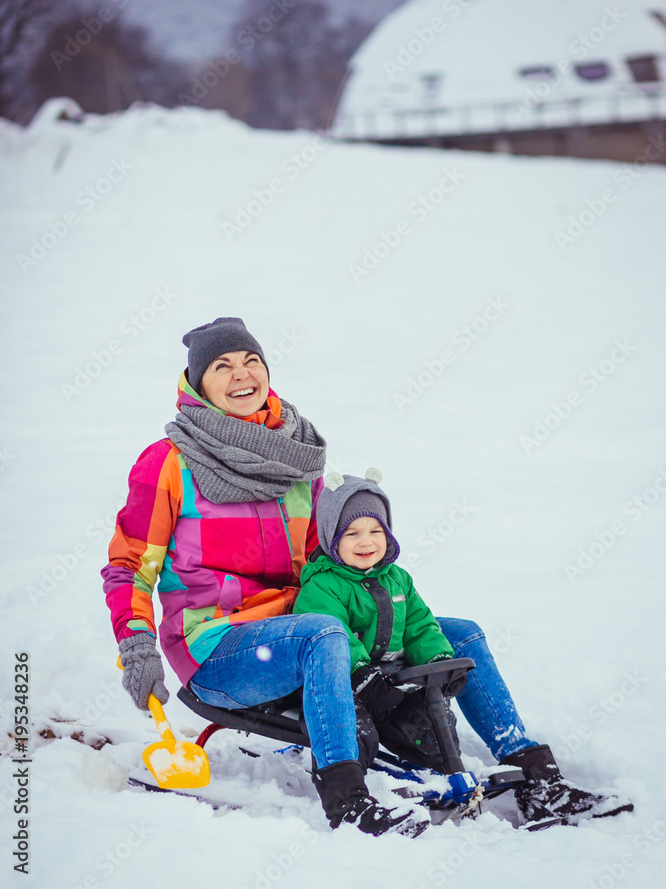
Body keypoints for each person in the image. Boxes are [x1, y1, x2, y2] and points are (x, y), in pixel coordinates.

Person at [101, 317, 427, 837]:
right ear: (197, 384)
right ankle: (347, 800)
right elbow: (130, 566)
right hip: (218, 644)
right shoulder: (169, 463)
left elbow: (330, 559)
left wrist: (390, 605)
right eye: (222, 366)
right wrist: (136, 643)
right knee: (322, 632)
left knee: (453, 632)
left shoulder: (298, 459)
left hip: (306, 630)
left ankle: (531, 772)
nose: (241, 374)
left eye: (252, 361)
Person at [294, 470, 634, 827]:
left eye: (376, 531)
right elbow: (334, 637)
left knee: (436, 743)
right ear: (332, 537)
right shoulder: (323, 586)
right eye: (352, 533)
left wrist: (441, 659)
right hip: (351, 682)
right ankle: (357, 796)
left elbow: (420, 626)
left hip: (393, 679)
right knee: (358, 737)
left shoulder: (397, 579)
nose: (366, 542)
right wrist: (361, 674)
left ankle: (537, 780)